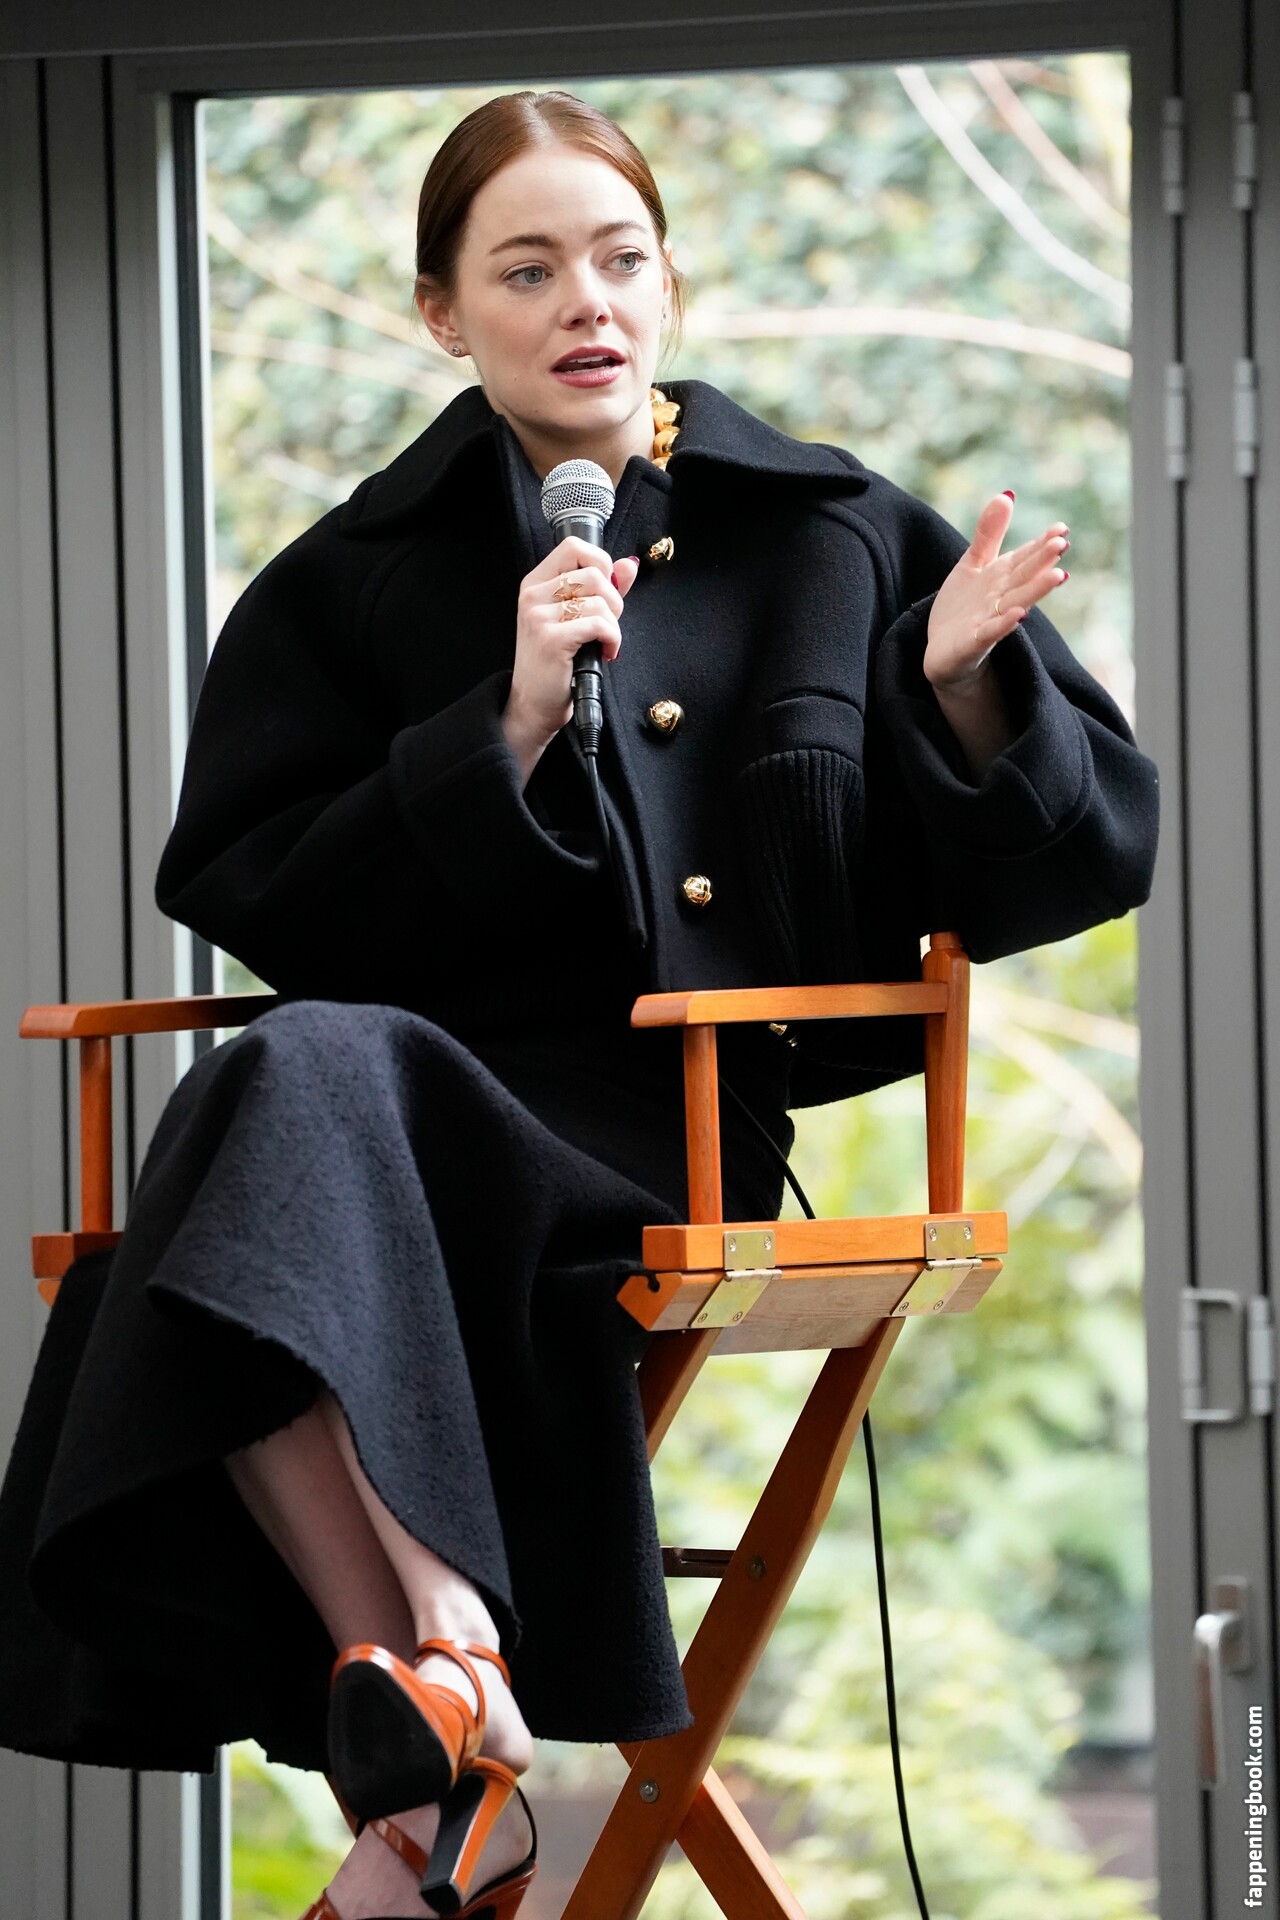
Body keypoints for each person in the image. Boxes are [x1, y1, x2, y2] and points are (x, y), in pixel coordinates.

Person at [0, 87, 1159, 1920]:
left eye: (618, 259)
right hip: (399, 1120)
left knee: (245, 1142)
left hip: (664, 1127)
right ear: (442, 314)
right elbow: (251, 888)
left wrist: (959, 698)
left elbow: (1085, 859)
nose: (584, 303)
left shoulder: (832, 532)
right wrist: (507, 726)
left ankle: (435, 1725)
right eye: (526, 270)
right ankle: (453, 1670)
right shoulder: (353, 578)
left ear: (671, 283)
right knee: (283, 1097)